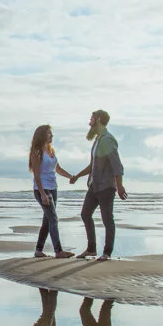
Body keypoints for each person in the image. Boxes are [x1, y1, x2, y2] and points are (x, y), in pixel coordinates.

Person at [69, 110, 127, 261]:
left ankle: (107, 252)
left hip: (106, 186)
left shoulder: (107, 140)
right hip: (94, 185)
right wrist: (77, 176)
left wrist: (119, 186)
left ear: (99, 120)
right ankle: (91, 249)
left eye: (91, 119)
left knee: (107, 219)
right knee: (85, 214)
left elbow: (117, 165)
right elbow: (92, 165)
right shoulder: (98, 140)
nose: (89, 122)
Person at [29, 124, 75, 259]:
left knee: (47, 221)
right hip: (41, 189)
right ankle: (58, 251)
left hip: (53, 188)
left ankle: (38, 250)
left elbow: (58, 169)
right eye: (49, 133)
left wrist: (70, 177)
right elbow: (36, 176)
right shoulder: (37, 152)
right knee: (53, 219)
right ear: (43, 135)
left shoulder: (51, 150)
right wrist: (43, 194)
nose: (52, 136)